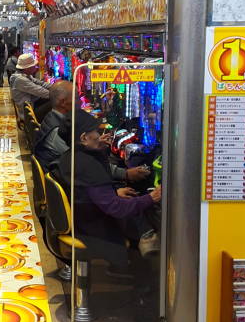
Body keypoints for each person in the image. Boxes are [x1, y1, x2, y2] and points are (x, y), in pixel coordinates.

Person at [53, 109, 161, 272]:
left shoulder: (71, 157)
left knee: (133, 201)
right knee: (142, 215)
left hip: (80, 218)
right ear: (84, 138)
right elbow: (116, 209)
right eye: (95, 132)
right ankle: (136, 280)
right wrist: (151, 198)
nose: (99, 134)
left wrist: (112, 193)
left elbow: (83, 192)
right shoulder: (87, 165)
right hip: (91, 229)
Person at [35, 82, 152, 185]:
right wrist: (124, 174)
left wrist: (95, 141)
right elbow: (84, 163)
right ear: (63, 102)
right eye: (76, 98)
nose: (80, 102)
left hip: (66, 179)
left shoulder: (53, 118)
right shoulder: (56, 132)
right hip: (69, 188)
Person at [9, 53, 51, 122]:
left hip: (31, 105)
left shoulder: (25, 75)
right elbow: (41, 91)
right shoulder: (21, 80)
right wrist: (60, 94)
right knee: (54, 102)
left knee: (50, 99)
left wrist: (56, 86)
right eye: (34, 66)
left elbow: (41, 84)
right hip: (28, 114)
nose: (36, 67)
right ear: (27, 68)